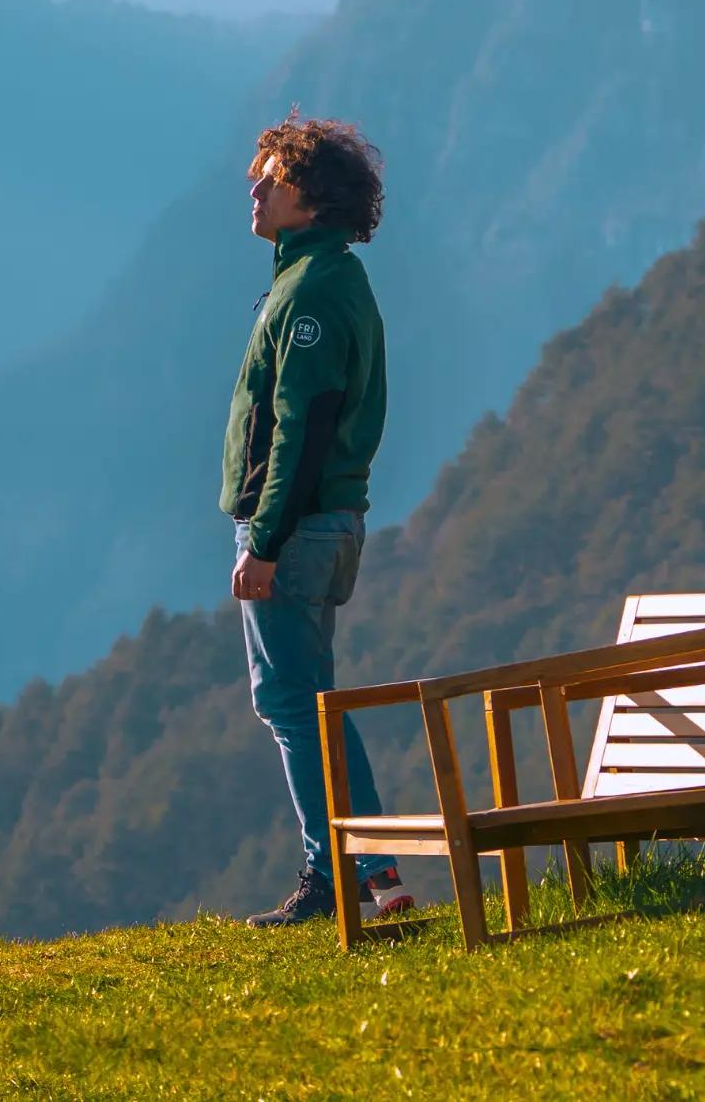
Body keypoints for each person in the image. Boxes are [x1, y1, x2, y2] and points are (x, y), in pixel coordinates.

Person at [224, 111, 410, 927]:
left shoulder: (309, 294)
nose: (254, 191)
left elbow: (300, 431)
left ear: (310, 196)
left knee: (293, 706)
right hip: (323, 523)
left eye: (271, 179)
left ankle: (342, 871)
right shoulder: (325, 278)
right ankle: (373, 873)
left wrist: (263, 541)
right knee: (312, 702)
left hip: (294, 528)